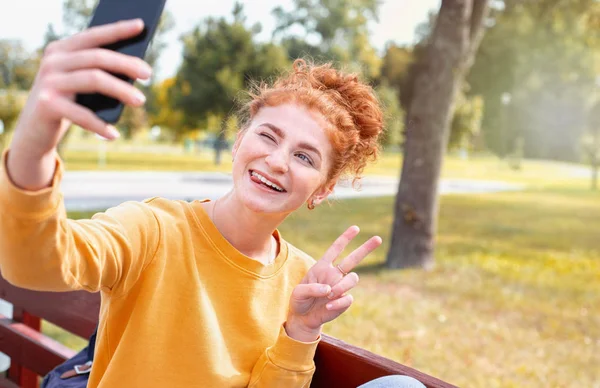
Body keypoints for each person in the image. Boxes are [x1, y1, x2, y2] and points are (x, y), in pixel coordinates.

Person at [0, 18, 424, 388]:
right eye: (267, 136)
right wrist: (35, 144)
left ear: (322, 189)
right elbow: (34, 263)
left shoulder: (300, 279)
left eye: (304, 156)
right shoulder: (154, 229)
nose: (277, 162)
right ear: (240, 142)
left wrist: (301, 329)